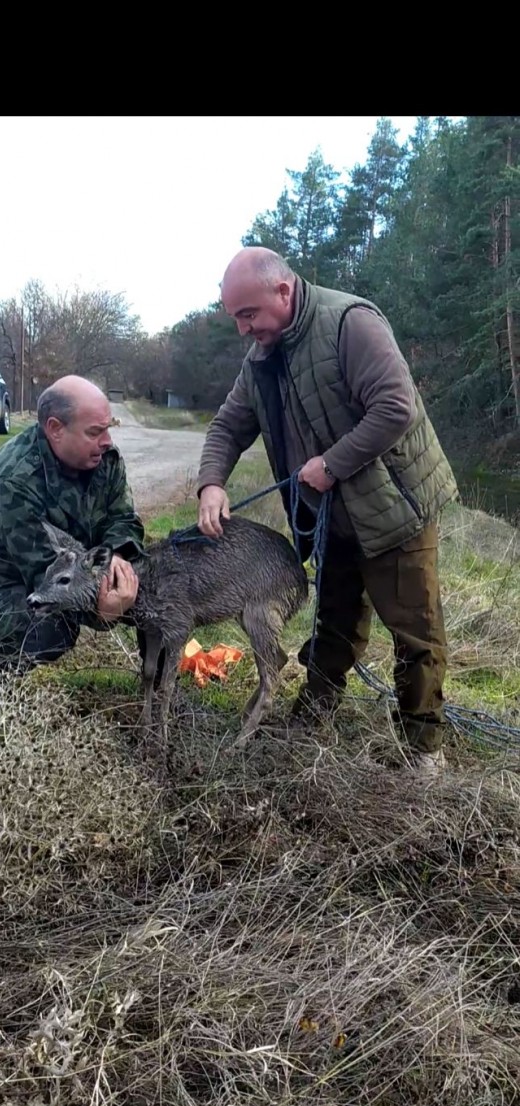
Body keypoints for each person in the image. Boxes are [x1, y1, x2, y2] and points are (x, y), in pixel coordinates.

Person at [197, 247, 458, 773]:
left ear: (283, 292)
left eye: (249, 315)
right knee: (334, 621)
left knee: (415, 633)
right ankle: (311, 717)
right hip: (330, 519)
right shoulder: (261, 359)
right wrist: (211, 484)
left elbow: (394, 407)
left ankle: (423, 754)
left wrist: (331, 465)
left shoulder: (351, 324)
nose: (244, 330)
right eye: (236, 319)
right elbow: (228, 426)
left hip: (396, 512)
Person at [0, 375, 144, 701]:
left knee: (147, 578)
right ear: (55, 428)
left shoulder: (104, 459)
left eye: (108, 428)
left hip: (77, 563)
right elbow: (48, 577)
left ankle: (156, 686)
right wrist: (105, 608)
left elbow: (123, 519)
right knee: (53, 626)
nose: (107, 441)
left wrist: (116, 558)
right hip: (2, 583)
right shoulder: (11, 482)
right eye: (95, 432)